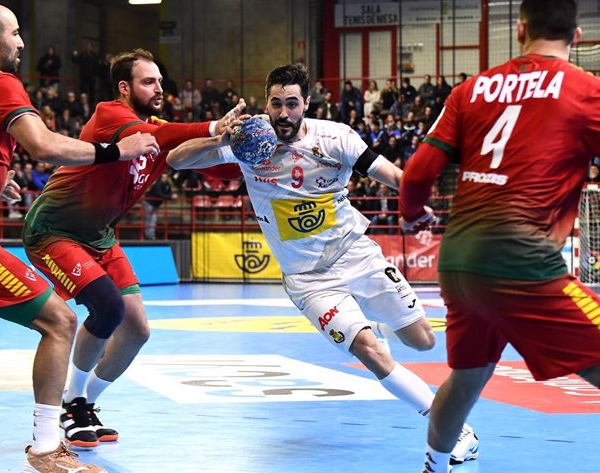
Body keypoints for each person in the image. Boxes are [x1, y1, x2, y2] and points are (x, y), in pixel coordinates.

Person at [166, 63, 479, 465]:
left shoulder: (336, 137)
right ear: (266, 103)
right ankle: (456, 432)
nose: (283, 113)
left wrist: (419, 203)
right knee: (370, 351)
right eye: (276, 103)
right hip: (308, 279)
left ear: (306, 103)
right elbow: (176, 160)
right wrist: (217, 137)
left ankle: (374, 318)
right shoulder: (250, 140)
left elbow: (392, 174)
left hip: (355, 252)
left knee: (422, 340)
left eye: (291, 103)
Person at [0, 4, 158, 472]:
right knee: (59, 321)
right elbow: (43, 145)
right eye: (16, 33)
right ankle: (46, 448)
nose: (21, 42)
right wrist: (114, 150)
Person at [398, 2, 600, 472]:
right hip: (521, 262)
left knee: (467, 378)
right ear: (577, 35)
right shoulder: (585, 91)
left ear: (521, 29)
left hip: (459, 262)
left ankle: (433, 464)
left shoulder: (472, 90)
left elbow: (416, 177)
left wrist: (411, 217)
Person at [22, 47, 243, 448]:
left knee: (137, 330)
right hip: (54, 230)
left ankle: (83, 402)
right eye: (148, 81)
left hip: (100, 235)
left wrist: (244, 149)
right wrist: (212, 126)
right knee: (107, 308)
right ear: (125, 88)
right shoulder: (111, 115)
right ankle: (71, 405)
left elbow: (181, 155)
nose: (159, 87)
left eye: (159, 80)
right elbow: (163, 137)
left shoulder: (157, 128)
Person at [144, 171, 176, 239]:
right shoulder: (158, 184)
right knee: (148, 219)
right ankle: (147, 235)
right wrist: (170, 197)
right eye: (163, 177)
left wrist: (171, 196)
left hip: (156, 204)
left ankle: (151, 235)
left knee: (153, 219)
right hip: (149, 203)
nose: (164, 179)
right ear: (161, 178)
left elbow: (169, 192)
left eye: (166, 177)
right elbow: (160, 194)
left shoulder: (167, 185)